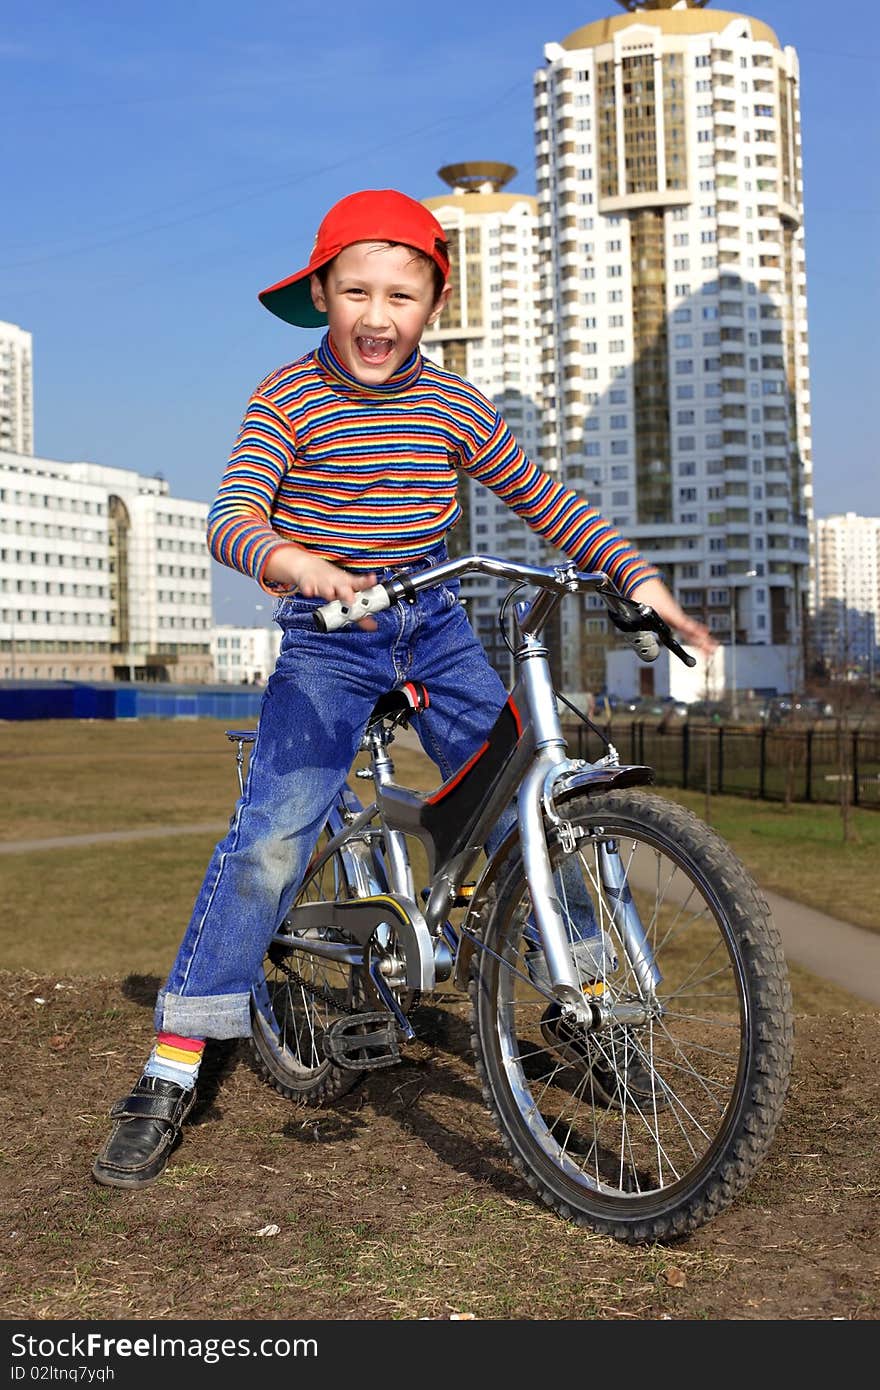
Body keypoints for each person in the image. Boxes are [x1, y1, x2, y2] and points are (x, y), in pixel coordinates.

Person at [92, 188, 716, 1188]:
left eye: (402, 295)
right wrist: (293, 563)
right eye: (355, 292)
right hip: (328, 641)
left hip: (432, 626)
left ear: (433, 303)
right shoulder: (285, 397)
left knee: (534, 800)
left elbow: (546, 500)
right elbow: (231, 514)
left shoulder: (455, 407)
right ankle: (174, 1064)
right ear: (321, 295)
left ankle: (588, 1001)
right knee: (267, 847)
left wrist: (635, 577)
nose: (377, 317)